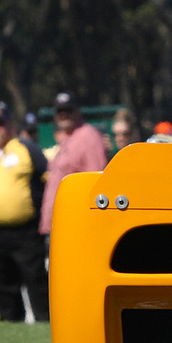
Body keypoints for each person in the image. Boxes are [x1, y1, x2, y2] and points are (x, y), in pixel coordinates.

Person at [0, 102, 49, 322]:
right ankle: (10, 323)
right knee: (1, 281)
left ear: (10, 125)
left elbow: (48, 180)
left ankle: (45, 321)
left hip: (25, 230)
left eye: (1, 123)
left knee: (35, 278)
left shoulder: (26, 148)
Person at [40, 92, 108, 237]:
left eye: (68, 110)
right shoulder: (66, 138)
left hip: (76, 226)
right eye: (59, 111)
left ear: (77, 111)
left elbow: (96, 183)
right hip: (58, 225)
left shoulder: (88, 137)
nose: (63, 115)